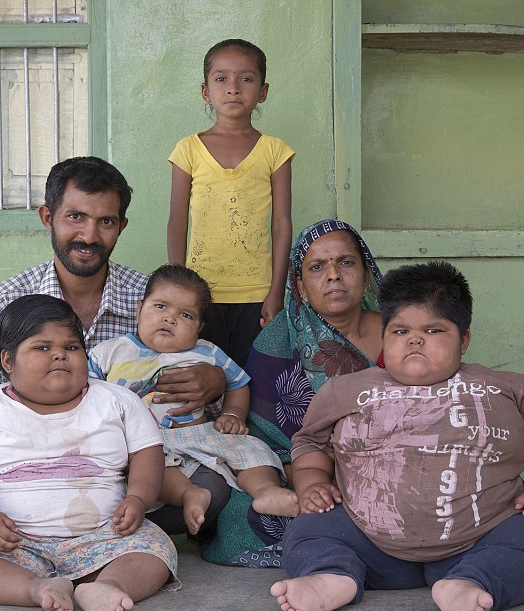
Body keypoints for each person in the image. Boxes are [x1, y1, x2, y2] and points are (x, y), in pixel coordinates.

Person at [0, 156, 230, 552]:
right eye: (75, 217)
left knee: (212, 489)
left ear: (121, 226)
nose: (89, 235)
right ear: (48, 217)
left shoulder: (153, 302)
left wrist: (215, 384)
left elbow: (204, 395)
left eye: (106, 221)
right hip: (18, 484)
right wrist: (27, 440)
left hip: (117, 476)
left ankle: (54, 537)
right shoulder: (5, 302)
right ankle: (71, 536)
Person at [270, 261, 524, 611]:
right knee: (308, 529)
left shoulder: (511, 388)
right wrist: (313, 484)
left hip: (483, 538)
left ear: (464, 339)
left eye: (433, 329)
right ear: (384, 338)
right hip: (367, 542)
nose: (415, 339)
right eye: (400, 331)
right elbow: (310, 446)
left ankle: (472, 581)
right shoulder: (346, 390)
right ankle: (332, 575)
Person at [0, 294, 177, 611]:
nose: (60, 354)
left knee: (155, 548)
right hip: (9, 543)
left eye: (72, 347)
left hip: (102, 535)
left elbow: (147, 454)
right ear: (7, 361)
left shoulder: (119, 402)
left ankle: (105, 585)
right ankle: (34, 589)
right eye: (42, 348)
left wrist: (138, 498)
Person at [201, 219, 384, 566]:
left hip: (389, 461)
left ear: (365, 272)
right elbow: (266, 434)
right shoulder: (277, 340)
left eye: (346, 262)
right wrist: (310, 477)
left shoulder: (400, 331)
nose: (333, 275)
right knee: (251, 508)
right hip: (300, 466)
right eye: (317, 267)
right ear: (299, 284)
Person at [89, 265, 299, 535]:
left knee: (250, 449)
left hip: (201, 433)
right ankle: (190, 494)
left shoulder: (207, 352)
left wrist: (232, 415)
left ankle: (265, 491)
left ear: (199, 326)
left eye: (185, 314)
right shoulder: (111, 351)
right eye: (161, 307)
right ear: (139, 309)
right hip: (145, 441)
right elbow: (88, 391)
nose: (170, 319)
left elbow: (239, 382)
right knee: (150, 469)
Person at [168, 38, 294, 368]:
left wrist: (276, 291)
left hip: (257, 293)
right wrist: (180, 289)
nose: (233, 88)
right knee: (204, 375)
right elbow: (177, 221)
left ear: (263, 91)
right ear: (206, 91)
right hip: (201, 292)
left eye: (246, 79)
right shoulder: (188, 150)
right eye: (221, 78)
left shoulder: (275, 151)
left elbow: (281, 224)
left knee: (251, 376)